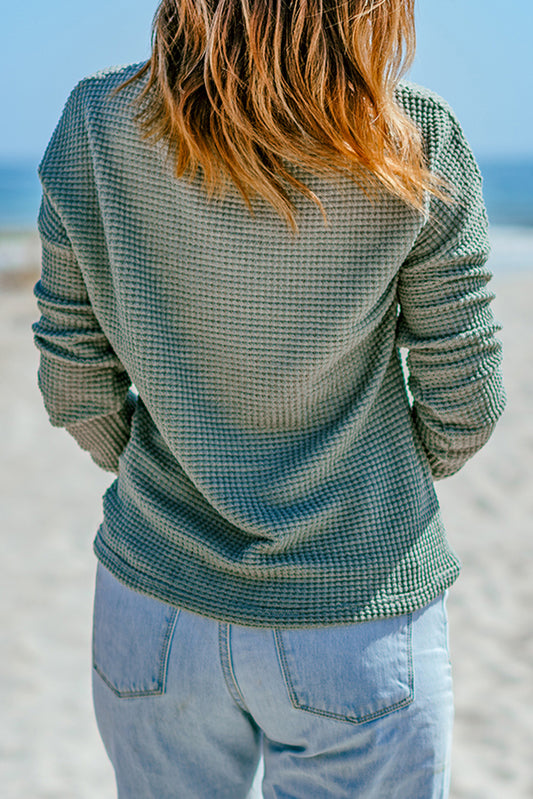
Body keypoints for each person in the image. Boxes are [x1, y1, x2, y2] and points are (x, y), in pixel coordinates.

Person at [32, 0, 506, 796]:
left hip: (154, 602)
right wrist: (366, 483)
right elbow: (467, 405)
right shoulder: (414, 139)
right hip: (355, 611)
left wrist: (170, 459)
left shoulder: (95, 123)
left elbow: (74, 379)